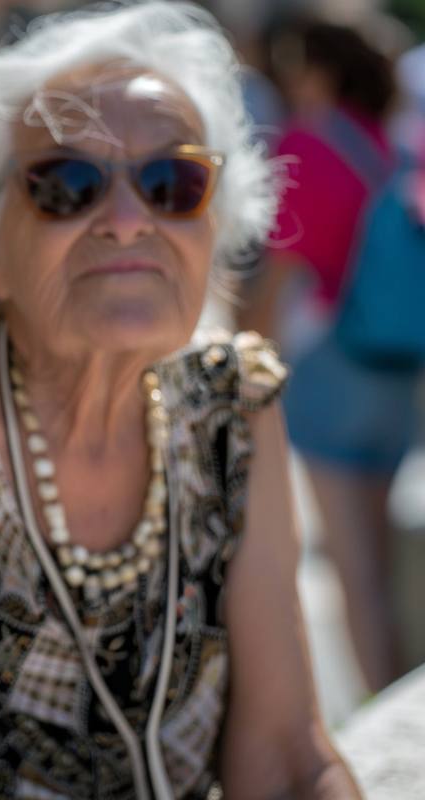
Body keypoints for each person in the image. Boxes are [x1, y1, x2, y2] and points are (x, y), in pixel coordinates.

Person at [0, 3, 359, 798]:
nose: (128, 222)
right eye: (67, 185)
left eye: (173, 183)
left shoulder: (232, 409)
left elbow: (288, 751)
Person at [239, 19, 406, 693]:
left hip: (333, 364)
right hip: (398, 363)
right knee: (383, 555)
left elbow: (282, 273)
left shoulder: (306, 145)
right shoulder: (384, 142)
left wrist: (243, 350)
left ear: (319, 69)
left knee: (352, 566)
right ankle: (401, 684)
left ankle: (385, 709)